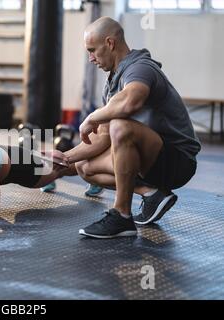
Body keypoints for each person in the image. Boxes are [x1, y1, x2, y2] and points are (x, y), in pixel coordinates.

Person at [59, 16, 201, 238]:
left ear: (110, 43)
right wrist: (63, 158)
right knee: (84, 167)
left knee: (120, 127)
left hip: (177, 160)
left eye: (92, 50)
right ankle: (151, 193)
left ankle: (121, 216)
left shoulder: (140, 68)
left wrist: (92, 117)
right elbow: (103, 137)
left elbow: (130, 101)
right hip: (152, 161)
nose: (90, 58)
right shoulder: (112, 83)